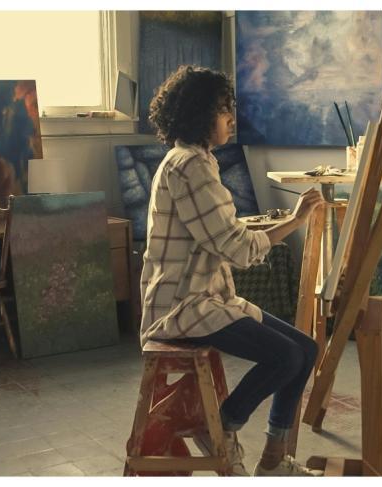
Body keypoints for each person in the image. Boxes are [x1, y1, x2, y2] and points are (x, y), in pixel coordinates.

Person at [139, 64, 325, 476]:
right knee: (287, 356)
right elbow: (236, 247)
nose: (231, 118)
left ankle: (273, 459)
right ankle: (220, 425)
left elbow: (223, 233)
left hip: (208, 297)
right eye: (223, 109)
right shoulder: (190, 165)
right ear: (201, 113)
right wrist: (293, 222)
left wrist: (274, 224)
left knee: (306, 350)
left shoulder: (193, 160)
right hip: (183, 307)